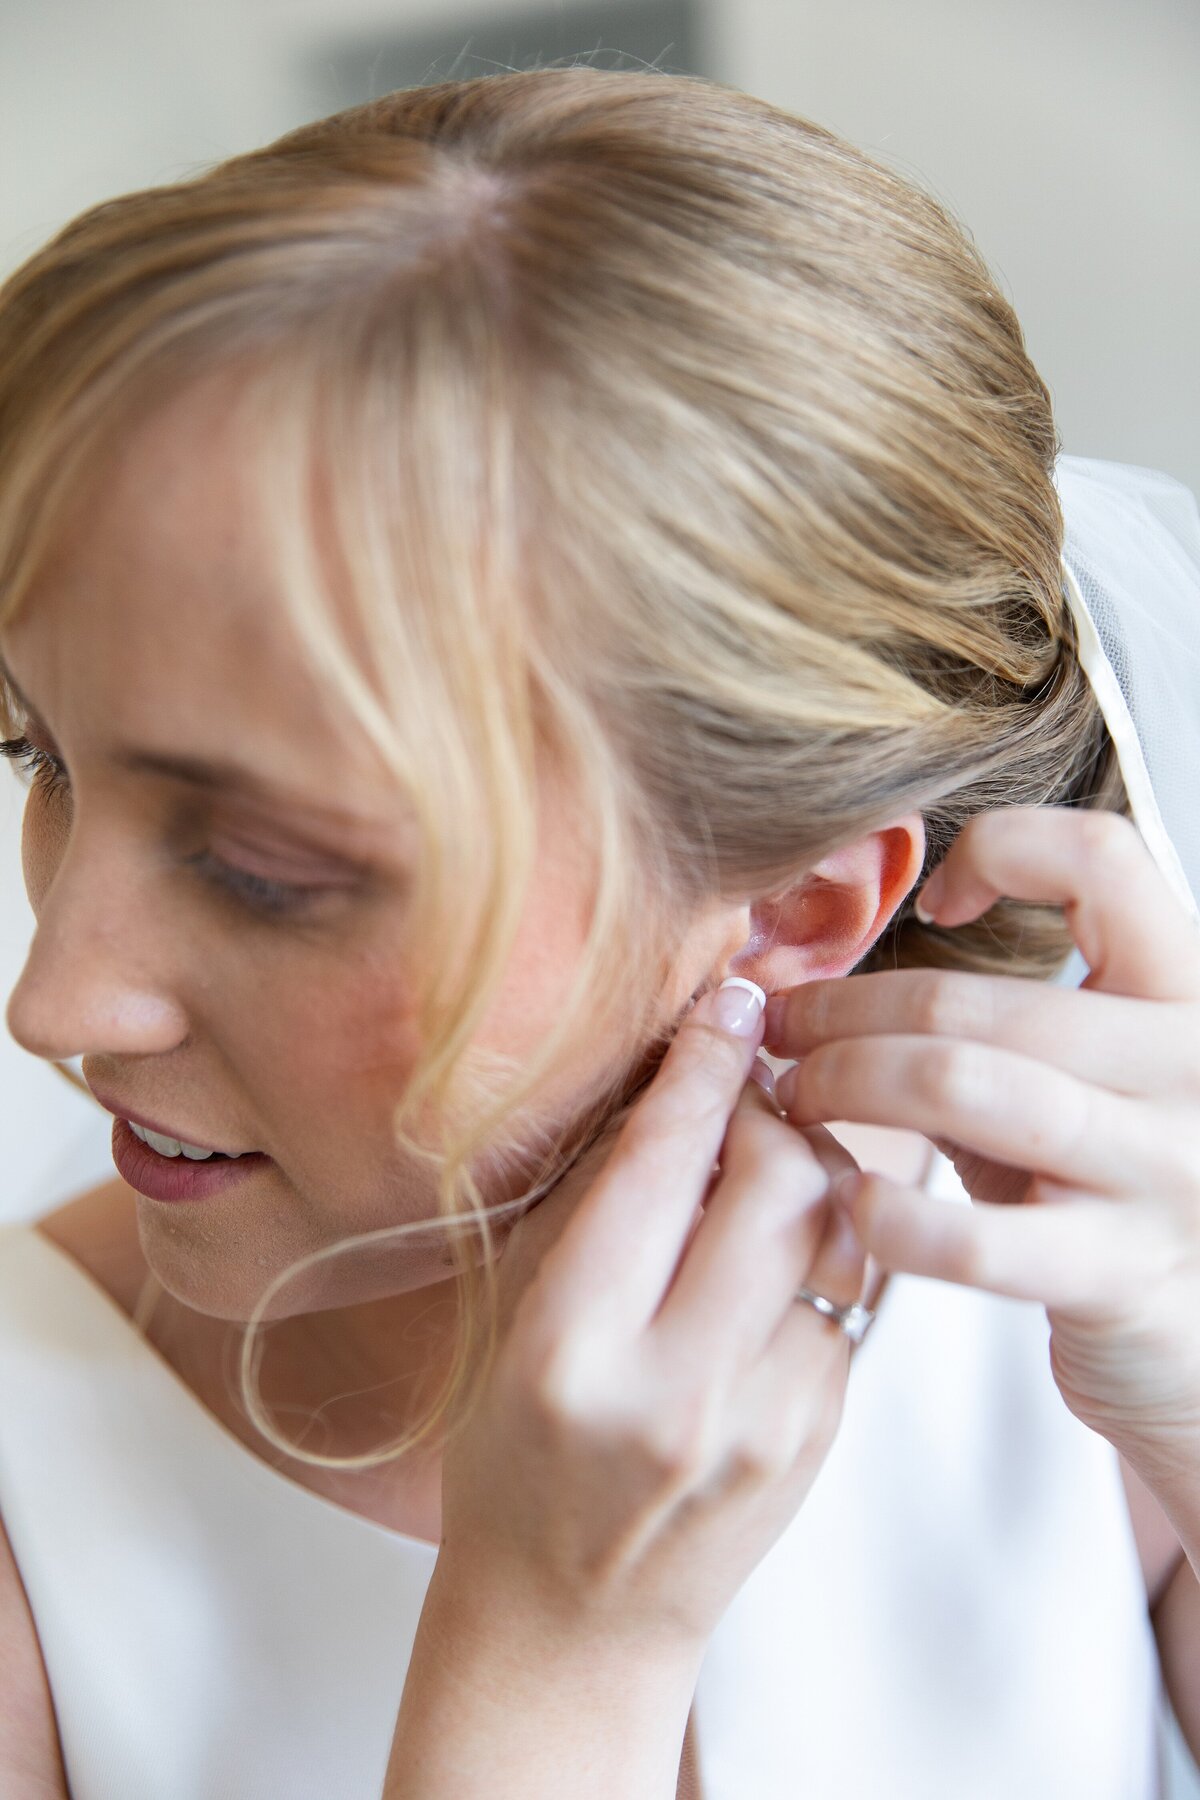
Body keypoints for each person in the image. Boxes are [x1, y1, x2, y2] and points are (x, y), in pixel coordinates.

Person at [0, 63, 1194, 1800]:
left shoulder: (1075, 1314)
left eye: (262, 865)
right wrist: (552, 1655)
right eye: (37, 752)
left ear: (795, 909)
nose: (54, 999)